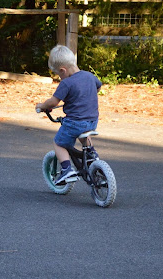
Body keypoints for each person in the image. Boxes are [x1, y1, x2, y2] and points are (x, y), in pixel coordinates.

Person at [36, 45, 102, 185]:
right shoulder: (89, 76)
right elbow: (98, 86)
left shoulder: (66, 83)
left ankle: (66, 170)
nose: (60, 77)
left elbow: (53, 102)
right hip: (92, 121)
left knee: (59, 143)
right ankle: (91, 153)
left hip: (74, 122)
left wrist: (42, 106)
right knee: (83, 133)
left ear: (63, 70)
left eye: (58, 74)